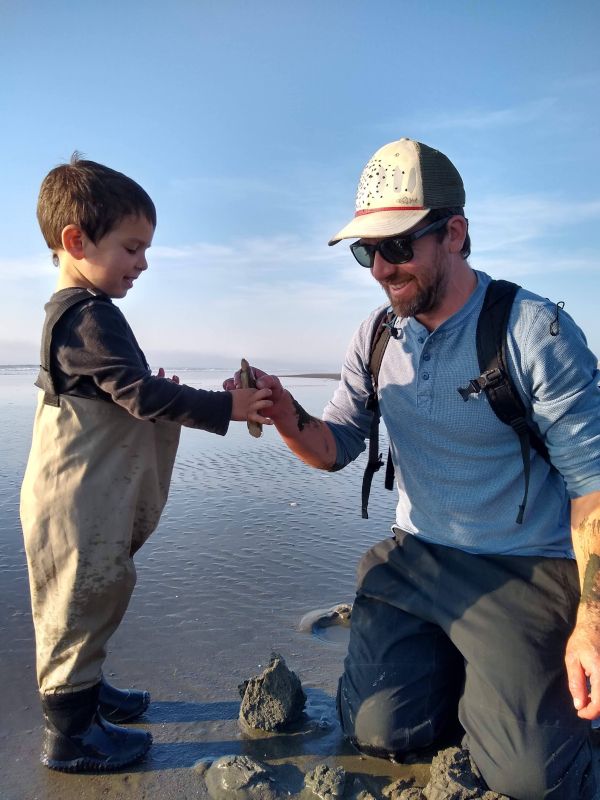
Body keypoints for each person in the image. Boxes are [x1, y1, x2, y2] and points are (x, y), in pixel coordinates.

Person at [225, 138, 600, 799]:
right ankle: (473, 673)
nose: (379, 269)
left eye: (396, 246)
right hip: (418, 558)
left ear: (454, 233)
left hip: (523, 567)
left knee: (534, 778)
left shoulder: (533, 333)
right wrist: (286, 415)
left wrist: (592, 622)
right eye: (366, 252)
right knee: (379, 732)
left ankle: (513, 685)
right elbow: (336, 446)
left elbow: (593, 486)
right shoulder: (375, 335)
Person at [20, 154, 273, 773]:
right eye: (131, 248)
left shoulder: (86, 313)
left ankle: (88, 691)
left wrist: (148, 388)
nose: (143, 262)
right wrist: (228, 406)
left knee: (100, 593)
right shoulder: (86, 314)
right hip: (74, 499)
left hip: (87, 493)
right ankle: (71, 735)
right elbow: (138, 395)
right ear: (75, 241)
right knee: (78, 601)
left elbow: (124, 387)